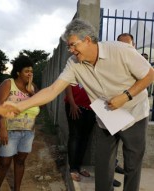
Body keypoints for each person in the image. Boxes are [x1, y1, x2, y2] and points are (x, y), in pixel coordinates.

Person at [11, 19, 154, 191]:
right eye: (68, 46)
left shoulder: (121, 50)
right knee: (102, 164)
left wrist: (126, 96)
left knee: (132, 164)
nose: (71, 50)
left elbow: (149, 75)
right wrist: (21, 105)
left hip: (134, 113)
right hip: (106, 116)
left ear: (87, 39)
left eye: (73, 45)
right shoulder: (74, 63)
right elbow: (53, 89)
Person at [0, 55, 40, 191]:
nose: (30, 74)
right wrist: (2, 128)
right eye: (27, 71)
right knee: (4, 163)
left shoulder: (33, 87)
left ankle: (17, 189)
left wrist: (32, 93)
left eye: (31, 71)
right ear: (18, 72)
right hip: (10, 130)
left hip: (28, 132)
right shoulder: (8, 84)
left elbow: (41, 106)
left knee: (20, 162)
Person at [64, 84, 96, 182]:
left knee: (85, 138)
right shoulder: (74, 68)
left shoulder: (97, 69)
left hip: (91, 108)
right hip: (75, 105)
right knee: (75, 135)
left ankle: (78, 166)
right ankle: (73, 169)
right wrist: (72, 104)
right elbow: (67, 85)